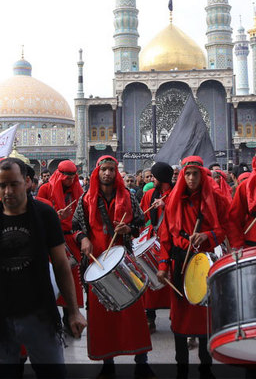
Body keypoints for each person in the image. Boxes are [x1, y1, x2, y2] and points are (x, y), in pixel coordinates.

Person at [0, 158, 86, 379]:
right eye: (2, 185)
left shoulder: (45, 215)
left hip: (40, 313)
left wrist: (74, 311)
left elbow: (60, 264)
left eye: (14, 184)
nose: (8, 191)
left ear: (27, 182)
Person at [156, 156, 240, 379]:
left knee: (205, 314)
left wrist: (207, 235)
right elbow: (165, 237)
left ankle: (206, 366)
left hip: (205, 261)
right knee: (180, 315)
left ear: (202, 175)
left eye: (195, 173)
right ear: (182, 175)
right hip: (179, 263)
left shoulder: (217, 199)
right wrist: (163, 265)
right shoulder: (172, 199)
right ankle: (181, 367)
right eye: (187, 174)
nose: (191, 178)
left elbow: (224, 229)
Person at [72, 156, 153, 379]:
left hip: (123, 260)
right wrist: (83, 239)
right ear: (97, 172)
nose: (107, 173)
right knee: (103, 316)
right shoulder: (86, 199)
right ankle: (108, 364)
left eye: (111, 169)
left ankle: (142, 362)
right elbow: (76, 227)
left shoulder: (128, 196)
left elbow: (140, 223)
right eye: (104, 169)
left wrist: (129, 229)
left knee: (134, 313)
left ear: (116, 172)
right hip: (97, 263)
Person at [37, 160, 85, 333]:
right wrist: (55, 216)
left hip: (70, 240)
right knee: (50, 281)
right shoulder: (45, 189)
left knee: (71, 281)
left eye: (73, 178)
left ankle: (70, 318)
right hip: (51, 241)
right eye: (67, 178)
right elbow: (38, 217)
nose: (70, 181)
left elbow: (82, 216)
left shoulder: (77, 191)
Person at [139, 162, 174, 333]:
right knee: (151, 281)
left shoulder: (176, 194)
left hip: (172, 243)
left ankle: (175, 316)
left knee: (174, 281)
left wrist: (167, 206)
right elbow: (142, 215)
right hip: (154, 242)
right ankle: (149, 317)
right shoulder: (149, 195)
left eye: (154, 176)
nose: (152, 179)